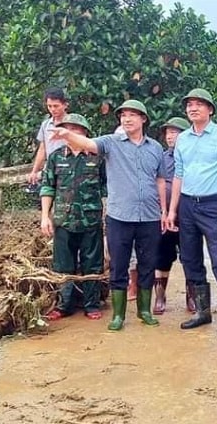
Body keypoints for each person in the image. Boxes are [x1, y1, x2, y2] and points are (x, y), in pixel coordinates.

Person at [50, 99, 167, 331]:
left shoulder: (155, 148)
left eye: (133, 115)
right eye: (123, 115)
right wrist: (66, 134)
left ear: (143, 119)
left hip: (150, 217)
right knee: (119, 265)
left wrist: (164, 210)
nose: (127, 119)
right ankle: (119, 315)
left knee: (147, 264)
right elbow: (87, 142)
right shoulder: (111, 143)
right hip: (119, 217)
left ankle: (144, 310)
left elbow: (160, 179)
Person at [167, 88, 217, 341]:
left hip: (214, 205)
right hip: (187, 205)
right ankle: (203, 311)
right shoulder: (183, 139)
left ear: (210, 109)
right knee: (190, 259)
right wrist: (172, 210)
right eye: (189, 104)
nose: (193, 108)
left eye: (199, 104)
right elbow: (178, 174)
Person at [40, 113, 106, 320]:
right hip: (63, 219)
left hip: (90, 220)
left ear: (85, 133)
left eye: (75, 129)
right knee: (62, 265)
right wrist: (45, 216)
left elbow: (107, 189)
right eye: (67, 129)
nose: (70, 133)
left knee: (92, 263)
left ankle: (91, 304)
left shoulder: (97, 158)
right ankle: (64, 305)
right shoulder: (56, 157)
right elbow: (47, 187)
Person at [153, 116, 193, 315]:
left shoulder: (193, 156)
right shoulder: (161, 157)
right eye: (168, 132)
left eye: (175, 132)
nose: (170, 136)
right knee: (162, 256)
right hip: (164, 216)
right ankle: (160, 296)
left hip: (188, 216)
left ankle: (192, 296)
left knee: (191, 256)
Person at [28, 87, 69, 184]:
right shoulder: (46, 125)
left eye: (56, 106)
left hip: (68, 170)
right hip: (50, 170)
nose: (52, 109)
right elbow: (42, 149)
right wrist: (34, 171)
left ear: (65, 105)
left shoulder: (73, 124)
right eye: (49, 106)